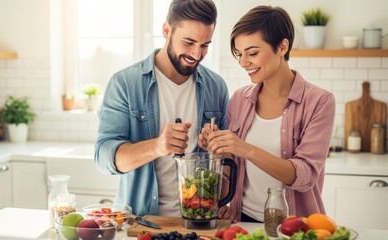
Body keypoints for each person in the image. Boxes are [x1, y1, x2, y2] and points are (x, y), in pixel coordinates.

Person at [198, 5, 335, 223]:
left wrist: (245, 148)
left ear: (282, 47)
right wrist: (218, 147)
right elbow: (232, 168)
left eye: (252, 53)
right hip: (243, 221)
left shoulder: (319, 101)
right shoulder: (240, 99)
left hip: (295, 226)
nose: (244, 62)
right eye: (239, 54)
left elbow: (305, 175)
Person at [94, 0, 229, 217]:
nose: (196, 54)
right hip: (141, 221)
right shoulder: (125, 83)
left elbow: (225, 160)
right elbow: (103, 157)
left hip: (199, 222)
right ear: (167, 30)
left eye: (205, 45)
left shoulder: (217, 87)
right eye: (189, 42)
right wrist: (157, 146)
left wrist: (216, 149)